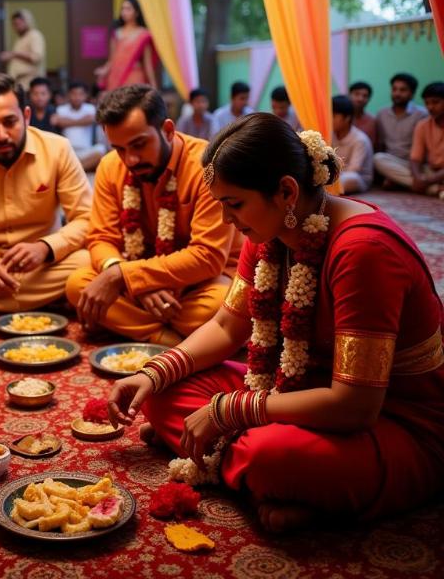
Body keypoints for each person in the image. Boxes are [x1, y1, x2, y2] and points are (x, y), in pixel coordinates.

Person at [107, 113, 444, 533]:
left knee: (271, 457)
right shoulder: (268, 234)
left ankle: (240, 466)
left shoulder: (363, 252)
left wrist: (230, 411)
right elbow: (228, 327)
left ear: (286, 191)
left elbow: (355, 406)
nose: (228, 221)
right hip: (294, 386)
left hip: (393, 421)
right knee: (160, 396)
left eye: (234, 204)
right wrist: (153, 373)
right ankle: (266, 481)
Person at [66, 85, 240, 346]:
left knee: (219, 304)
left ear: (168, 130)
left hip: (201, 283)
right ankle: (166, 339)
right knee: (78, 284)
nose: (131, 159)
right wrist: (131, 279)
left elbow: (208, 257)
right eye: (120, 149)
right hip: (142, 278)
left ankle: (137, 327)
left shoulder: (207, 166)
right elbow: (101, 237)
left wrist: (125, 278)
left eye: (139, 144)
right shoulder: (110, 165)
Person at [0, 73, 92, 312]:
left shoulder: (57, 149)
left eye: (10, 122)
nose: (1, 135)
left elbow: (85, 217)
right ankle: (41, 301)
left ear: (27, 116)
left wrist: (45, 247)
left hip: (41, 267)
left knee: (88, 262)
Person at [374, 81, 444, 198]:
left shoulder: (420, 115)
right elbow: (415, 159)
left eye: (435, 102)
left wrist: (427, 180)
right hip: (429, 171)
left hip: (437, 175)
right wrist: (419, 178)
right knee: (378, 158)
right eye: (427, 103)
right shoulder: (423, 125)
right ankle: (434, 189)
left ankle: (424, 186)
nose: (430, 107)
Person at [374, 73, 428, 187]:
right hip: (391, 162)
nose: (397, 93)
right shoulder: (382, 114)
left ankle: (399, 181)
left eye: (403, 90)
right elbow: (381, 144)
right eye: (394, 89)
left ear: (412, 94)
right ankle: (424, 185)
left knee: (429, 169)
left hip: (415, 163)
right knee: (378, 158)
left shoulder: (422, 114)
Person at [95, 0, 158, 91]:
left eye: (128, 9)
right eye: (122, 9)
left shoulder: (144, 34)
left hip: (135, 76)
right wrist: (104, 70)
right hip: (116, 77)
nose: (124, 12)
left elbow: (147, 64)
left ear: (137, 12)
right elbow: (112, 59)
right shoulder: (116, 32)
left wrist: (153, 85)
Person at [52, 81, 106, 172]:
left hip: (86, 151)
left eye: (80, 94)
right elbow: (59, 122)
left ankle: (72, 171)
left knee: (101, 149)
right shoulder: (61, 109)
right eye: (74, 94)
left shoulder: (90, 108)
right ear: (69, 95)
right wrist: (82, 121)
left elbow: (92, 119)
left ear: (85, 96)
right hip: (68, 152)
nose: (77, 97)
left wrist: (67, 121)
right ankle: (77, 170)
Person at [332, 94, 374, 194]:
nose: (329, 120)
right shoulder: (330, 134)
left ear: (347, 118)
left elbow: (354, 170)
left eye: (333, 116)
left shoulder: (360, 139)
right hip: (335, 177)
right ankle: (329, 190)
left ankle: (328, 190)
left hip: (357, 178)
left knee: (350, 179)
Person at [0, 10, 46, 91]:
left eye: (19, 23)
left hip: (30, 84)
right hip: (19, 83)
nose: (16, 27)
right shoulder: (20, 38)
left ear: (27, 22)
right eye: (14, 24)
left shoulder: (34, 35)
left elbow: (36, 57)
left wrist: (14, 54)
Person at [349, 81, 378, 148]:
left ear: (369, 99)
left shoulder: (372, 121)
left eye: (365, 96)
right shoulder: (342, 119)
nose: (360, 99)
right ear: (349, 95)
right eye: (357, 94)